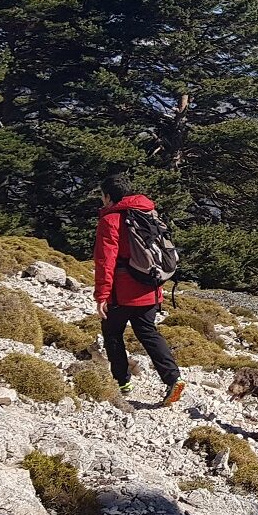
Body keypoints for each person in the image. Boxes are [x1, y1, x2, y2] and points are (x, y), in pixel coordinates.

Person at [94, 173, 185, 406]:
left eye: (102, 196)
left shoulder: (111, 220)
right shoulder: (147, 213)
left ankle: (122, 382)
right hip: (150, 287)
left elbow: (106, 261)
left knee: (113, 333)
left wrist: (102, 295)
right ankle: (173, 378)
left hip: (121, 292)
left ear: (108, 197)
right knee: (148, 332)